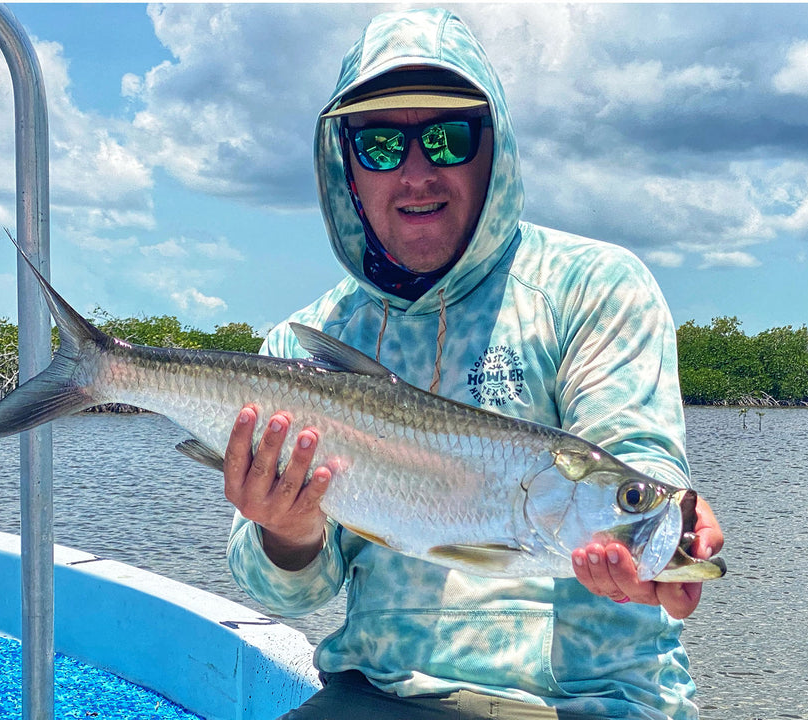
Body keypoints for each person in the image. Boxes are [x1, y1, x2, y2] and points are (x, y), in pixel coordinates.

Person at [222, 8, 724, 720]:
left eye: (446, 137)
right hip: (379, 694)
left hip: (597, 700)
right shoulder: (304, 347)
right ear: (345, 167)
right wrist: (286, 531)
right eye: (380, 146)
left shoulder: (596, 285)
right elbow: (283, 595)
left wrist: (667, 515)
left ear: (495, 148)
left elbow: (632, 455)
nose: (417, 173)